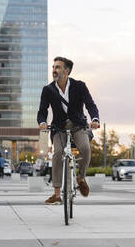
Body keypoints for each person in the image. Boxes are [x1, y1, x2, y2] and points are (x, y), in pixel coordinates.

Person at [37, 56, 100, 205]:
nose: (54, 70)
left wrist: (95, 119)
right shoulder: (48, 90)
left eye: (58, 67)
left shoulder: (80, 86)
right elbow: (42, 111)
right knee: (58, 153)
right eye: (53, 67)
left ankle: (81, 178)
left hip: (78, 125)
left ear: (67, 70)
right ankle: (57, 194)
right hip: (58, 128)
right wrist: (42, 122)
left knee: (85, 148)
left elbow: (90, 105)